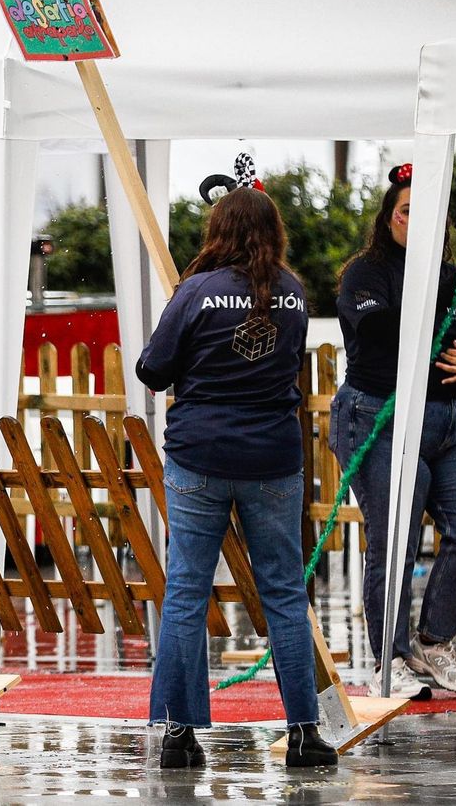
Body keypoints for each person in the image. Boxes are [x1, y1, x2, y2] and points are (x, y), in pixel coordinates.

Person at [138, 175, 337, 770]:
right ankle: (304, 731)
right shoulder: (295, 293)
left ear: (218, 231)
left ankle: (179, 733)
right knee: (283, 593)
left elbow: (152, 369)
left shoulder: (196, 292)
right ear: (274, 235)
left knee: (187, 593)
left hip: (200, 455)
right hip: (272, 458)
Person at [330, 163, 456, 700]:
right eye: (406, 211)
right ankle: (391, 657)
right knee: (395, 541)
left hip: (449, 419)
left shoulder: (453, 280)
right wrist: (442, 300)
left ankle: (433, 641)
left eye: (426, 215)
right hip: (378, 415)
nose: (414, 221)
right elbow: (379, 331)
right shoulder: (365, 273)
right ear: (389, 218)